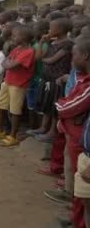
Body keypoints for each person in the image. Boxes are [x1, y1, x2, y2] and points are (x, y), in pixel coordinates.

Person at [57, 37, 90, 228]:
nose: (71, 59)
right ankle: (76, 218)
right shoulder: (82, 78)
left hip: (81, 141)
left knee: (84, 190)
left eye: (74, 55)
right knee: (80, 187)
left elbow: (66, 107)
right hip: (76, 135)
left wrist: (61, 107)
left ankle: (78, 221)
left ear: (85, 56)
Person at [0, 25, 35, 146]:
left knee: (15, 111)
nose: (13, 37)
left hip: (18, 85)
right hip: (7, 81)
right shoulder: (16, 49)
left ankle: (13, 136)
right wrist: (10, 63)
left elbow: (9, 65)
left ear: (24, 38)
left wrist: (10, 63)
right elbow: (5, 63)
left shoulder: (28, 52)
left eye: (15, 35)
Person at [33, 18, 74, 144]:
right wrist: (41, 43)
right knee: (47, 105)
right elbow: (38, 57)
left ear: (60, 30)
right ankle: (43, 127)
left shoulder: (67, 44)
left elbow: (51, 60)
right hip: (47, 79)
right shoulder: (52, 43)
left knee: (54, 108)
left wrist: (43, 59)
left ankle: (52, 132)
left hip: (58, 81)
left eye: (51, 28)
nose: (49, 30)